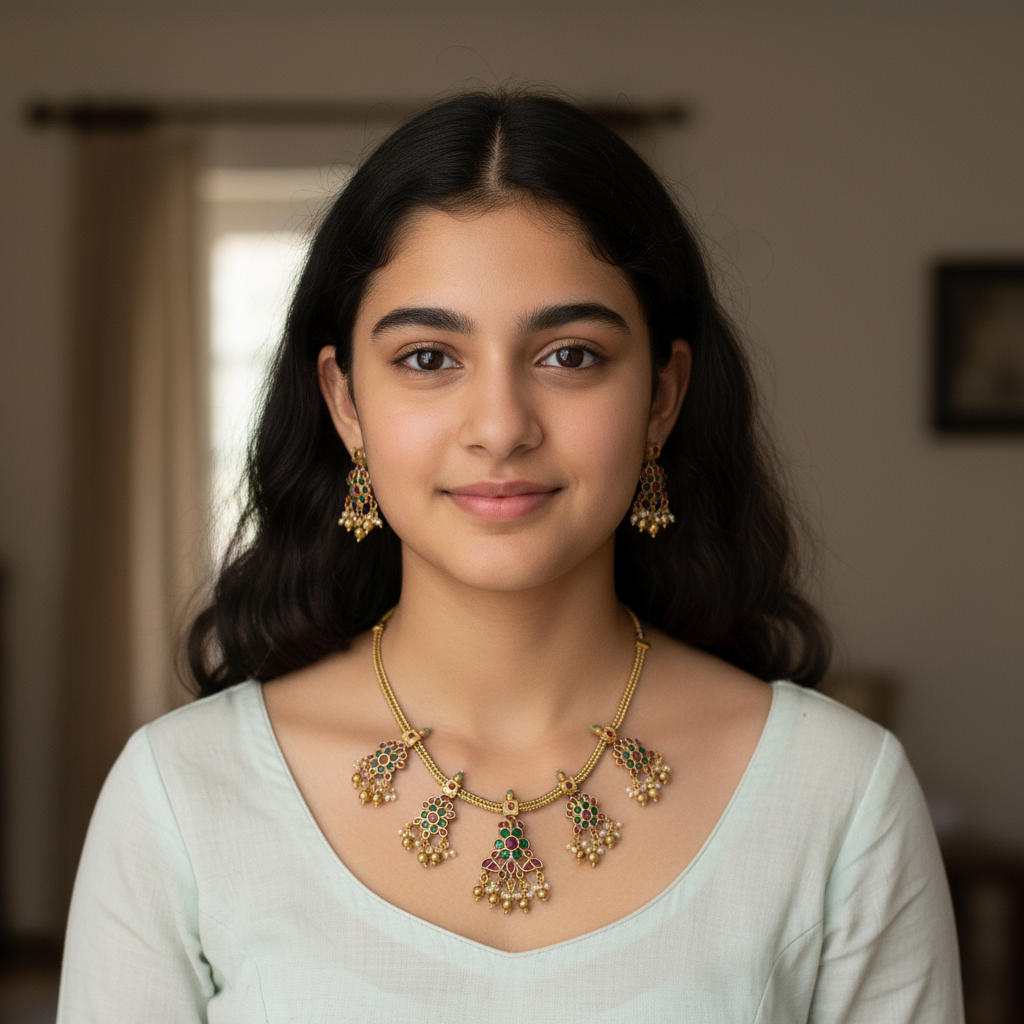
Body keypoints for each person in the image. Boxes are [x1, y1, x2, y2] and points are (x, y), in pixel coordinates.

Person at [58, 91, 963, 1022]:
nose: (500, 428)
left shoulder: (840, 795)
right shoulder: (181, 796)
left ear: (662, 395)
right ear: (345, 404)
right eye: (427, 358)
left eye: (569, 355)